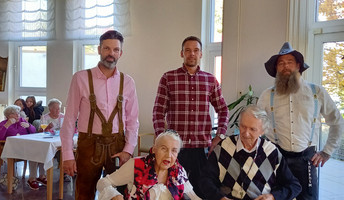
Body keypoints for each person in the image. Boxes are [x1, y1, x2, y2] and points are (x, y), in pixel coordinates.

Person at [257, 42, 344, 200]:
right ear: (276, 69)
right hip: (277, 157)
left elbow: (337, 122)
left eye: (290, 62)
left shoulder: (316, 92)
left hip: (307, 159)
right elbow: (257, 124)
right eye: (281, 63)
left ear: (298, 65)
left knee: (308, 198)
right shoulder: (266, 95)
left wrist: (326, 151)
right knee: (276, 197)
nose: (285, 66)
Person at [61, 30, 139, 199]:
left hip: (118, 146)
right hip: (88, 145)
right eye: (107, 48)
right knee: (84, 192)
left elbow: (133, 121)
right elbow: (69, 119)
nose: (111, 53)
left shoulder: (128, 82)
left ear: (121, 53)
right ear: (99, 49)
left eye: (116, 50)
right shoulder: (80, 78)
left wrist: (128, 150)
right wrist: (67, 155)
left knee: (118, 194)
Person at [152, 36, 229, 198]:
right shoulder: (168, 78)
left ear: (201, 54)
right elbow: (158, 111)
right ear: (182, 53)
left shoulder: (210, 80)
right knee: (174, 190)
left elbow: (223, 109)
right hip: (176, 149)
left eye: (196, 50)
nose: (192, 54)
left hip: (203, 149)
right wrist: (161, 139)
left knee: (202, 190)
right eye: (188, 50)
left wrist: (219, 136)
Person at [199, 105, 301, 200]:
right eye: (243, 126)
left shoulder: (271, 152)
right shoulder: (224, 147)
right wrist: (219, 198)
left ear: (262, 131)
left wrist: (273, 197)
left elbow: (294, 186)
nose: (246, 133)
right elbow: (205, 180)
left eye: (252, 129)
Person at [96, 130, 201, 200]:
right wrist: (115, 195)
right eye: (163, 148)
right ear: (154, 149)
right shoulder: (136, 165)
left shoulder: (179, 172)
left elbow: (194, 197)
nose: (168, 155)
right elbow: (103, 182)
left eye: (174, 151)